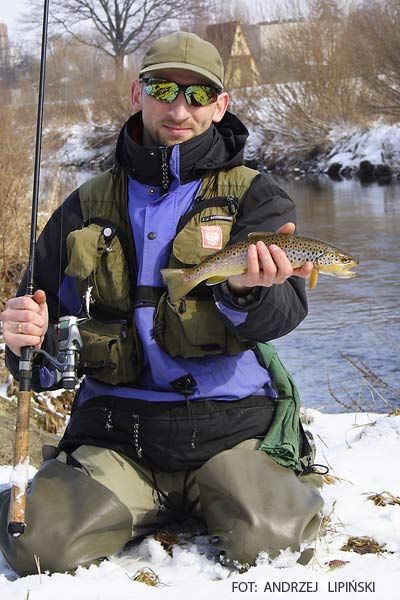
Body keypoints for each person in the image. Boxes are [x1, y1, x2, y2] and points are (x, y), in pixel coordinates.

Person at [0, 31, 323, 576]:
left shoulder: (256, 196)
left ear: (220, 105)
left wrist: (246, 292)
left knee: (275, 545)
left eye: (198, 95)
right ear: (137, 93)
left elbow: (285, 314)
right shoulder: (83, 205)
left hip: (229, 431)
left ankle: (252, 486)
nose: (179, 109)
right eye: (163, 89)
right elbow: (42, 352)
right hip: (116, 436)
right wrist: (24, 340)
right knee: (36, 547)